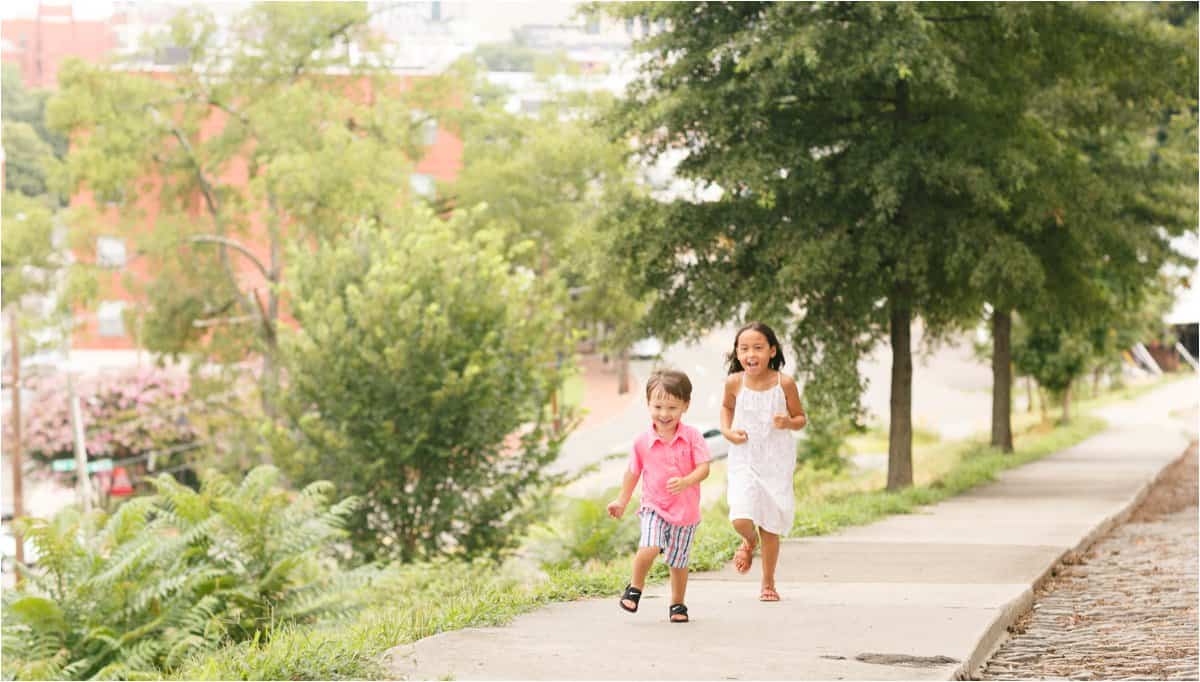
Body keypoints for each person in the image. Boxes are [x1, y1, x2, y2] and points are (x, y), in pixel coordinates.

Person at [607, 369, 711, 623]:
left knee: (678, 561)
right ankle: (635, 587)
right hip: (654, 506)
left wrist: (687, 481)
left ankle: (677, 604)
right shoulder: (642, 441)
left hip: (685, 513)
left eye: (672, 408)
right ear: (648, 404)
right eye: (658, 406)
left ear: (685, 406)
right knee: (650, 546)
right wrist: (622, 500)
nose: (664, 414)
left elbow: (704, 468)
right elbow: (633, 472)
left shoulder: (692, 436)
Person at [720, 322, 807, 602]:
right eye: (744, 349)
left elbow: (801, 418)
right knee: (740, 517)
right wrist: (727, 431)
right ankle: (748, 540)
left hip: (776, 460)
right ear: (737, 353)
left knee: (770, 523)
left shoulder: (785, 383)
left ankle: (768, 583)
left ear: (772, 350)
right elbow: (726, 407)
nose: (750, 354)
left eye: (758, 347)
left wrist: (788, 422)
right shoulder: (734, 381)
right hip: (744, 456)